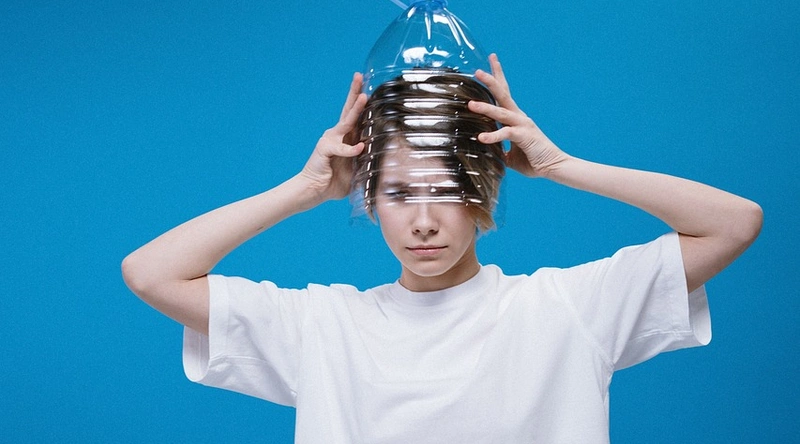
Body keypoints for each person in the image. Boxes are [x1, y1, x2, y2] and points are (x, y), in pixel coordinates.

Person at [121, 54, 762, 443]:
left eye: (448, 191)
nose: (423, 222)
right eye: (399, 192)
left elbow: (735, 223)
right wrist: (305, 188)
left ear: (483, 191)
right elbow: (150, 274)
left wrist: (562, 165)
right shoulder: (322, 327)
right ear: (369, 199)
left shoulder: (568, 307)